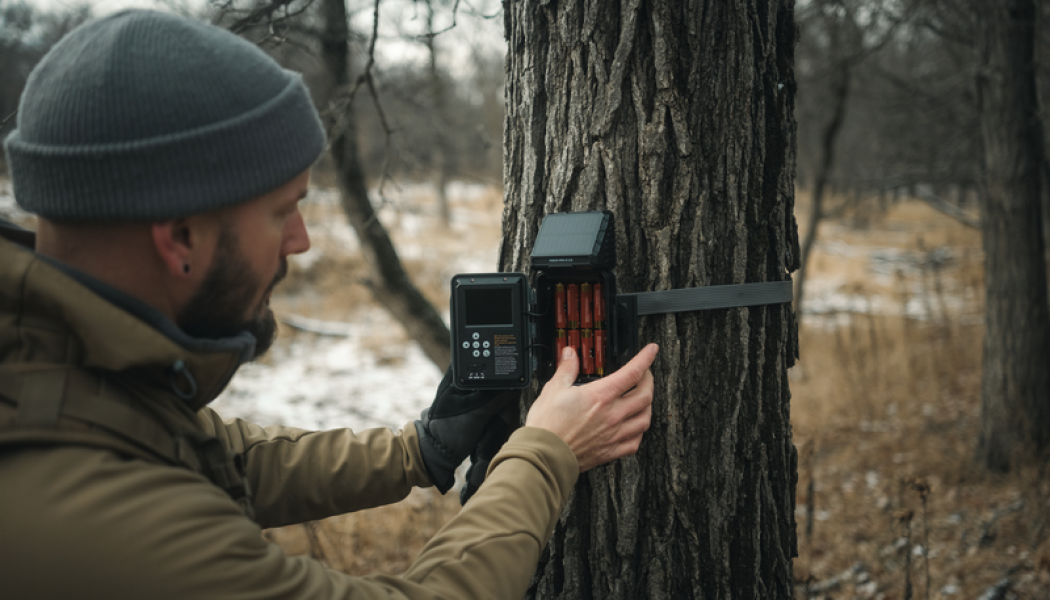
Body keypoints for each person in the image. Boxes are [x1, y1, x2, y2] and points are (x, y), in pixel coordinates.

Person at [0, 9, 657, 599]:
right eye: (283, 212)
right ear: (180, 238)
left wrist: (419, 451)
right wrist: (545, 453)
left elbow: (221, 457)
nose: (304, 241)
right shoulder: (109, 523)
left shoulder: (52, 366)